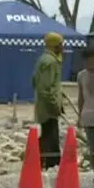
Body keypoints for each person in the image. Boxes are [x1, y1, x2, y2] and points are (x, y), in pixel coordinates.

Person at [33, 32, 64, 170]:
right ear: (54, 45)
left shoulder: (43, 59)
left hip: (44, 106)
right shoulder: (50, 62)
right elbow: (45, 88)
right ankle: (51, 166)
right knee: (51, 139)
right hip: (48, 108)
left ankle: (43, 163)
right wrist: (54, 105)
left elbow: (34, 81)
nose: (62, 47)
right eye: (60, 44)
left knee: (47, 135)